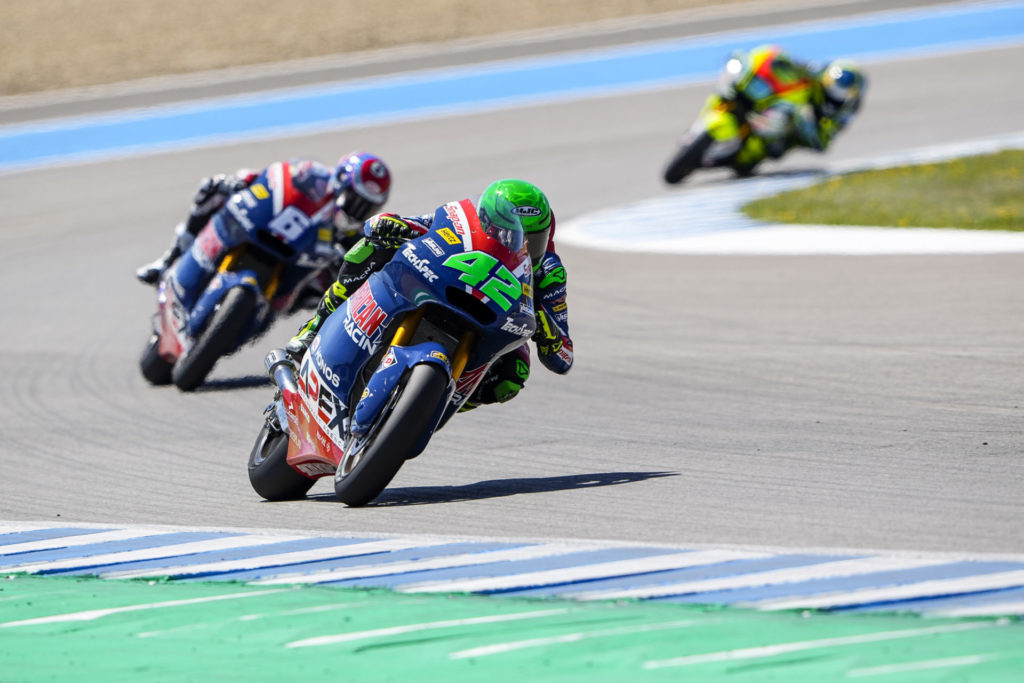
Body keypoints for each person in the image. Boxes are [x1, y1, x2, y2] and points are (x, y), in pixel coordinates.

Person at [286, 178, 573, 410]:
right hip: (442, 284)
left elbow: (563, 358)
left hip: (497, 321)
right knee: (372, 248)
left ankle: (430, 405)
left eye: (533, 240)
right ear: (488, 222)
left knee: (513, 374)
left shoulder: (549, 273)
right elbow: (418, 225)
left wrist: (547, 329)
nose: (523, 247)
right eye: (513, 236)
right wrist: (394, 225)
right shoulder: (464, 223)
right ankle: (315, 328)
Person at [135, 151, 392, 287]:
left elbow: (358, 268)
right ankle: (168, 259)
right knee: (212, 189)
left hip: (299, 267)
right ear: (340, 182)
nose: (358, 210)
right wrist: (245, 182)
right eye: (355, 199)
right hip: (268, 227)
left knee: (331, 287)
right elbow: (275, 177)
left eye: (367, 206)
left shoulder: (353, 235)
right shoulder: (312, 175)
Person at [715, 45, 867, 173]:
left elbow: (823, 143)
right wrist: (778, 60)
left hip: (788, 134)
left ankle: (749, 150)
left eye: (844, 82)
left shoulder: (841, 111)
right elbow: (791, 65)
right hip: (777, 104)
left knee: (771, 149)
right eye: (837, 77)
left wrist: (808, 124)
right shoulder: (814, 76)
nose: (838, 82)